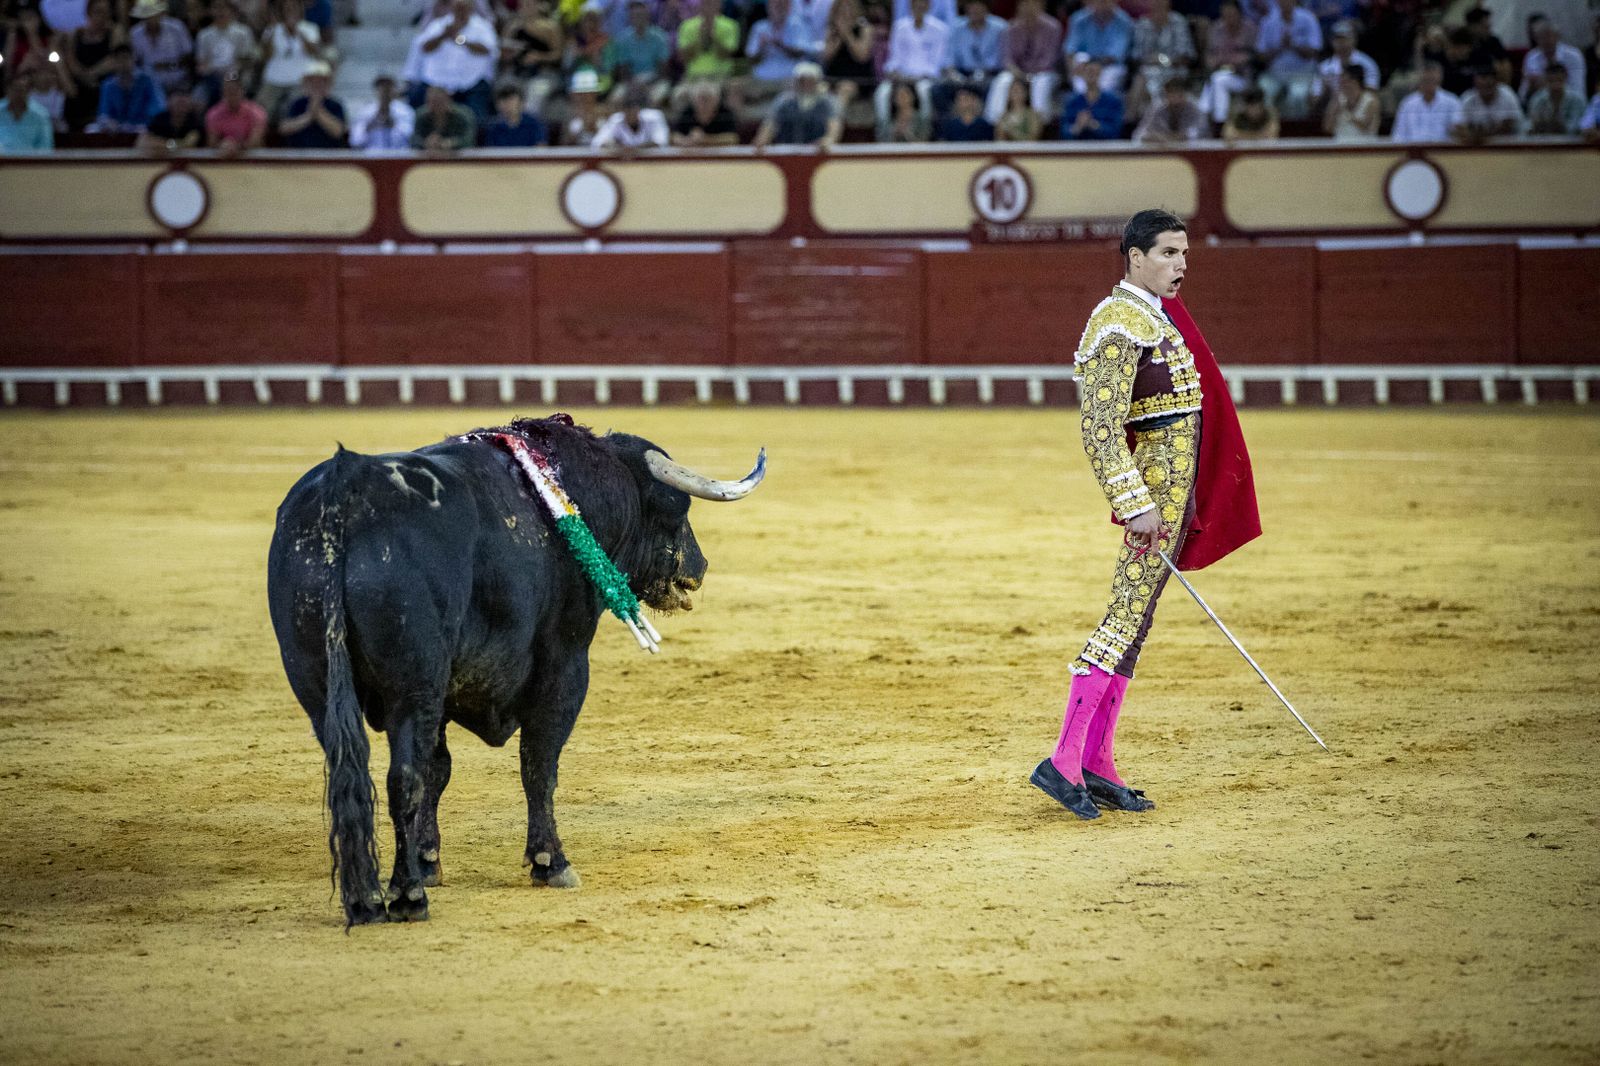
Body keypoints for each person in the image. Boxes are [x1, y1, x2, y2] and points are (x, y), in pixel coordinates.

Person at [1031, 208, 1259, 820]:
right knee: (1121, 617)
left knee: (1136, 624)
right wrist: (1134, 506)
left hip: (1170, 504)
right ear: (1135, 258)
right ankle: (1064, 757)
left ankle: (1097, 763)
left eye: (1184, 253)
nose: (1180, 265)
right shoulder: (1116, 325)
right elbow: (1100, 428)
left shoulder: (1156, 319)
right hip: (1151, 507)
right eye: (1167, 253)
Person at [416, 0, 496, 122]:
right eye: (458, 8)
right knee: (417, 102)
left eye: (463, 8)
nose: (460, 11)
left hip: (471, 84)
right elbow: (424, 47)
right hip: (437, 83)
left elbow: (487, 50)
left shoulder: (482, 27)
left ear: (470, 8)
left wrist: (460, 39)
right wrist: (443, 35)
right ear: (452, 8)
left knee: (477, 116)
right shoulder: (439, 25)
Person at [983, 0, 1060, 122]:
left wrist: (1032, 74)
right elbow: (1007, 59)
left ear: (1041, 6)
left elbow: (1049, 58)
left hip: (1044, 72)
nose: (1029, 8)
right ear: (1019, 7)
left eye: (1032, 4)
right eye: (1025, 4)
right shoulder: (1011, 29)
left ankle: (1039, 123)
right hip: (1018, 72)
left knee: (1040, 83)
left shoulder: (1052, 27)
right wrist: (1018, 74)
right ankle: (995, 123)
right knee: (1002, 80)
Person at [873, 0, 948, 126]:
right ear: (910, 5)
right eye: (916, 3)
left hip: (926, 78)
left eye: (922, 3)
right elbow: (894, 58)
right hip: (902, 76)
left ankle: (923, 131)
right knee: (881, 93)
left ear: (928, 5)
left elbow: (938, 63)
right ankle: (884, 134)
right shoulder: (899, 27)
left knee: (924, 91)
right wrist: (895, 72)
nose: (919, 6)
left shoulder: (940, 29)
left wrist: (920, 77)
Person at [935, 0, 1005, 117]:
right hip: (961, 74)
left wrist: (983, 74)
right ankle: (949, 128)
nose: (974, 10)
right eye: (971, 6)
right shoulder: (956, 27)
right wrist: (954, 75)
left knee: (993, 88)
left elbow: (1000, 59)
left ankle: (984, 126)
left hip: (989, 74)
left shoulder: (1000, 27)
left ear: (987, 8)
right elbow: (948, 59)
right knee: (937, 90)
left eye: (978, 6)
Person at [63, 0, 125, 130]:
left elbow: (115, 58)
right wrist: (83, 76)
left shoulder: (115, 32)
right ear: (88, 13)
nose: (102, 16)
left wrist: (92, 74)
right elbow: (70, 60)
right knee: (71, 90)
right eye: (98, 12)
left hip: (105, 82)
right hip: (80, 82)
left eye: (106, 12)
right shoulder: (75, 34)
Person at [256, 0, 324, 119]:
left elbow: (314, 52)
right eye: (287, 8)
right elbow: (266, 56)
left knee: (297, 108)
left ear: (300, 10)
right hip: (274, 79)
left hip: (300, 79)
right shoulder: (272, 29)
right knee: (260, 109)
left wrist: (297, 32)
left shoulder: (310, 28)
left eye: (294, 8)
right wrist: (272, 33)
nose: (290, 11)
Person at [1253, 0, 1320, 119]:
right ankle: (1268, 130)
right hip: (1275, 74)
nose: (1285, 2)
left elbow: (1314, 52)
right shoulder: (1268, 21)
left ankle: (1296, 133)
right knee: (1263, 92)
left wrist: (1293, 45)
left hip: (1302, 73)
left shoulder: (1308, 18)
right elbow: (1261, 55)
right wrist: (1280, 47)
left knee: (1297, 95)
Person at [755, 60, 842, 146]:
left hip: (817, 150)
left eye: (810, 80)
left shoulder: (828, 102)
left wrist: (829, 140)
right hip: (786, 149)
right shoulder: (784, 101)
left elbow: (834, 126)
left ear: (817, 81)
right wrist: (762, 140)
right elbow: (770, 124)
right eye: (802, 80)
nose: (806, 84)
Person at [500, 0, 563, 113]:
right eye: (522, 5)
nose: (525, 8)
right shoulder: (512, 26)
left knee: (536, 94)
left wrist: (539, 57)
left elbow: (558, 55)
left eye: (529, 4)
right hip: (517, 72)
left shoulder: (550, 27)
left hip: (544, 73)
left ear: (538, 6)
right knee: (504, 88)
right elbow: (504, 53)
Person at [602, 0, 671, 104]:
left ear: (647, 15)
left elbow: (663, 71)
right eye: (634, 15)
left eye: (640, 14)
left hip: (655, 80)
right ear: (630, 18)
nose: (638, 18)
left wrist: (648, 84)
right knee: (615, 99)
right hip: (632, 81)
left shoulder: (659, 37)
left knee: (655, 98)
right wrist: (634, 85)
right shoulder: (623, 39)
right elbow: (623, 70)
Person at [92, 41, 166, 131]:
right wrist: (108, 122)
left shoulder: (148, 80)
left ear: (133, 59)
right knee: (91, 129)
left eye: (125, 58)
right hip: (116, 128)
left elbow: (158, 107)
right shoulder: (108, 85)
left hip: (143, 126)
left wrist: (145, 122)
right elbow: (103, 112)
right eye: (118, 60)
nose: (122, 63)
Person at [1064, 0, 1134, 95]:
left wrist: (1091, 65)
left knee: (1105, 85)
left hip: (1110, 66)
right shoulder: (1078, 19)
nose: (1101, 4)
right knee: (1080, 75)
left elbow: (1115, 55)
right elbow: (1070, 51)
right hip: (1083, 65)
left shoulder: (1124, 22)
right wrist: (1071, 71)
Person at [193, 0, 256, 104]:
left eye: (224, 8)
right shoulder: (204, 35)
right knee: (208, 91)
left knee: (234, 84)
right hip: (214, 76)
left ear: (231, 10)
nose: (220, 12)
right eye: (216, 8)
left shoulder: (243, 32)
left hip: (236, 76)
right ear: (210, 11)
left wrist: (230, 76)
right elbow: (201, 63)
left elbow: (246, 60)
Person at [821, 0, 878, 109]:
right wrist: (838, 36)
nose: (846, 12)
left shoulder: (866, 29)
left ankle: (834, 123)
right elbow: (826, 57)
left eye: (849, 8)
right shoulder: (832, 31)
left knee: (845, 89)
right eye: (842, 9)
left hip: (858, 79)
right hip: (833, 77)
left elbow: (862, 56)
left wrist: (847, 34)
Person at [278, 58, 347, 146]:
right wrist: (308, 116)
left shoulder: (336, 105)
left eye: (321, 82)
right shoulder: (296, 104)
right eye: (312, 81)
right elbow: (284, 129)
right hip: (298, 155)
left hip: (328, 155)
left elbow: (338, 132)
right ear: (305, 83)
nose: (316, 85)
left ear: (328, 84)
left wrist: (318, 111)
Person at [129, 0, 193, 94]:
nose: (150, 18)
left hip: (179, 82)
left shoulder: (177, 28)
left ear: (159, 13)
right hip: (149, 86)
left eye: (152, 14)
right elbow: (135, 62)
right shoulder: (135, 33)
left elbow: (189, 57)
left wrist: (169, 65)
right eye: (146, 15)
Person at [1520, 16, 1586, 103]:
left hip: (1571, 103)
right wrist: (1530, 86)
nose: (1547, 41)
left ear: (1557, 36)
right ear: (1536, 39)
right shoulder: (1531, 57)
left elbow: (1578, 90)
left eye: (1549, 36)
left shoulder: (1573, 56)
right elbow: (1522, 94)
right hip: (1541, 105)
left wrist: (1549, 85)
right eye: (1542, 37)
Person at [1451, 64, 1522, 144]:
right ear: (1475, 83)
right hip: (1480, 145)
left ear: (1496, 82)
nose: (1485, 89)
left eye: (1489, 86)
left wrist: (1479, 134)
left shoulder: (1507, 95)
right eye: (1482, 85)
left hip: (1510, 144)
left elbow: (1508, 126)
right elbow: (1459, 126)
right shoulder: (1468, 98)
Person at [1390, 61, 1459, 142]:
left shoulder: (1452, 101)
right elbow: (1398, 135)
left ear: (1440, 78)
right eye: (1426, 80)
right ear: (1420, 79)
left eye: (1432, 80)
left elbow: (1457, 134)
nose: (1429, 83)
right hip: (1413, 150)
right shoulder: (1407, 103)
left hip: (1442, 151)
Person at [675, 0, 739, 83]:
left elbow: (726, 55)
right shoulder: (686, 26)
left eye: (713, 3)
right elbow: (684, 58)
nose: (709, 7)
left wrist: (713, 37)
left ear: (720, 5)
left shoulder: (730, 25)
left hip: (721, 76)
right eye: (706, 3)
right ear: (700, 5)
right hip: (693, 77)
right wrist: (699, 38)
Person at [1059, 56, 1123, 138]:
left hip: (1104, 148)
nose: (1092, 75)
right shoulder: (1071, 101)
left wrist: (1093, 125)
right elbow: (1064, 132)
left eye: (1095, 72)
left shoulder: (1114, 101)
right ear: (1082, 74)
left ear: (1101, 74)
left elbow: (1116, 131)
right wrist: (1077, 127)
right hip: (1078, 148)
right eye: (1089, 72)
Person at [591, 80, 668, 147]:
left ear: (639, 109)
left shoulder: (654, 117)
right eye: (627, 109)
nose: (630, 113)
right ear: (622, 110)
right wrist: (610, 143)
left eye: (633, 108)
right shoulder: (616, 120)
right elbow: (597, 143)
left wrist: (632, 149)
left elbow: (661, 142)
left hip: (651, 163)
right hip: (623, 163)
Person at [204, 67, 266, 150]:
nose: (231, 94)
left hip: (250, 158)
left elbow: (255, 142)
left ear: (242, 91)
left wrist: (235, 146)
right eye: (228, 90)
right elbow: (212, 143)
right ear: (222, 92)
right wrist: (224, 145)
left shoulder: (257, 112)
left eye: (235, 90)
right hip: (222, 156)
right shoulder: (213, 114)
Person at [348, 72, 414, 149]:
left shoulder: (405, 111)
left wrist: (393, 125)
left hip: (398, 155)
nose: (385, 91)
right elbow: (355, 141)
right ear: (376, 90)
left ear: (394, 89)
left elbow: (409, 138)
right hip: (372, 156)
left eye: (388, 87)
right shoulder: (365, 112)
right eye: (381, 87)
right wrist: (369, 127)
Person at [1315, 19, 1376, 102]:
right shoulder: (1324, 67)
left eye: (1345, 39)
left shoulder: (1367, 63)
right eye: (1338, 39)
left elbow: (1371, 92)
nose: (1341, 43)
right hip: (1333, 107)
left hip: (1358, 107)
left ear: (1354, 40)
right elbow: (1315, 96)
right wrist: (1325, 90)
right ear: (1332, 42)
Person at [0, 65, 56, 152]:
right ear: (7, 90)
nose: (18, 94)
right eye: (15, 89)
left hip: (29, 163)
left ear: (29, 91)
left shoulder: (41, 115)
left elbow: (46, 147)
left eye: (21, 89)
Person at [1132, 75, 1203, 142]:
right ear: (1165, 95)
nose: (1176, 100)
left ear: (1185, 95)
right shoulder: (1157, 108)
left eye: (1179, 95)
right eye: (1172, 95)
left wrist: (1186, 135)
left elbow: (1204, 133)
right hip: (1161, 149)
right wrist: (1153, 136)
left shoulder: (1194, 107)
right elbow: (1138, 135)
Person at [138, 77, 205, 147]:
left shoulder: (197, 122)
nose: (181, 99)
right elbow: (142, 141)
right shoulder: (159, 119)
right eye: (178, 101)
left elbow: (189, 144)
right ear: (168, 101)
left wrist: (163, 143)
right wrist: (171, 144)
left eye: (185, 98)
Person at [670, 79, 739, 145]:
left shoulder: (725, 112)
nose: (703, 103)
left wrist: (705, 139)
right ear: (693, 100)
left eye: (707, 99)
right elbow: (673, 136)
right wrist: (686, 140)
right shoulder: (687, 112)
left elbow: (733, 138)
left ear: (716, 100)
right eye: (700, 99)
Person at [411, 82, 476, 151]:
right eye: (431, 102)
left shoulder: (463, 114)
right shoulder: (421, 115)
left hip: (459, 156)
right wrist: (426, 142)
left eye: (438, 101)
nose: (435, 105)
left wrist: (451, 143)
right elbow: (413, 140)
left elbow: (470, 140)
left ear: (448, 100)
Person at [1319, 62, 1374, 140]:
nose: (1341, 82)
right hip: (1341, 146)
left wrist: (1347, 112)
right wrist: (1334, 112)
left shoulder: (1371, 100)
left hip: (1364, 147)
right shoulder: (1337, 99)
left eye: (1344, 79)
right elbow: (1327, 128)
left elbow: (1365, 127)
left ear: (1354, 80)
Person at [1526, 62, 1583, 135]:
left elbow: (1578, 127)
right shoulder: (1538, 99)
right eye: (1551, 81)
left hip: (1572, 143)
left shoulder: (1577, 100)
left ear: (1566, 78)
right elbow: (1529, 125)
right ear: (1545, 80)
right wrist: (1535, 127)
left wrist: (1558, 126)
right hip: (1543, 141)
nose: (1555, 85)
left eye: (1559, 80)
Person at [483, 81, 547, 145]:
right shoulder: (493, 128)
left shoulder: (535, 125)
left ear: (522, 103)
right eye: (503, 100)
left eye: (511, 100)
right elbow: (490, 152)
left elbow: (541, 150)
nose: (507, 105)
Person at [560, 66, 604, 145]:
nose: (584, 97)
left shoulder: (605, 112)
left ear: (595, 94)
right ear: (573, 95)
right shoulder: (569, 115)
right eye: (580, 94)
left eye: (588, 93)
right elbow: (563, 143)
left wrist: (596, 130)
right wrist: (580, 131)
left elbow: (614, 141)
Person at [995, 74, 1040, 140]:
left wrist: (1011, 130)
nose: (1016, 93)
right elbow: (999, 140)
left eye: (1020, 90)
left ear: (1026, 93)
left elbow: (1033, 138)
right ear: (1009, 94)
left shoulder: (1034, 115)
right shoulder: (1003, 117)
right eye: (1014, 90)